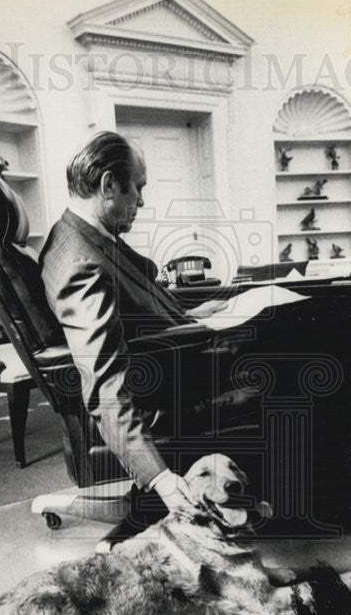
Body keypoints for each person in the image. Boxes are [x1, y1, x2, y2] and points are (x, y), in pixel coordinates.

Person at [39, 131, 228, 514]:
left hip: (182, 352)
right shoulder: (81, 261)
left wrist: (192, 315)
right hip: (179, 380)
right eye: (137, 189)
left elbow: (137, 305)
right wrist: (159, 478)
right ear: (109, 184)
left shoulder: (87, 235)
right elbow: (103, 381)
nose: (142, 201)